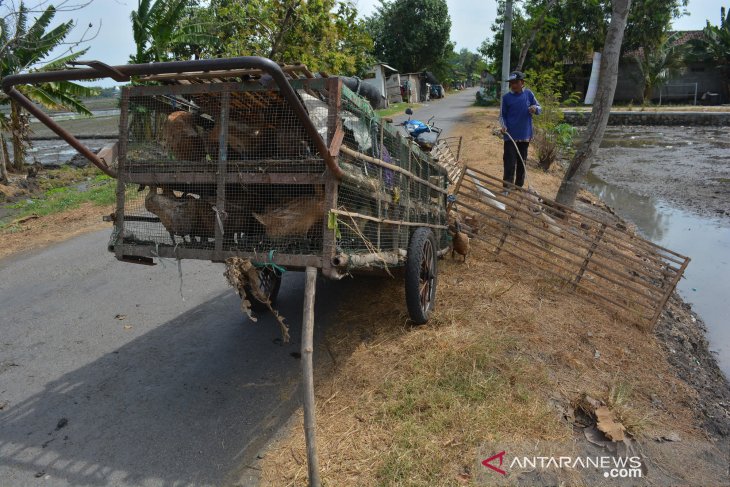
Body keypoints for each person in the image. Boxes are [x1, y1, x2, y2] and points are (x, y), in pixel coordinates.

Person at [499, 71, 541, 191]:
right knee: (509, 162)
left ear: (522, 82)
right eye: (511, 83)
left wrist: (535, 108)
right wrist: (503, 126)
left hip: (525, 135)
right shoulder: (506, 98)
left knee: (522, 162)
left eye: (516, 82)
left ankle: (519, 186)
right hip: (510, 136)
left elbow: (539, 107)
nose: (513, 85)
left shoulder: (529, 94)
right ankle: (507, 187)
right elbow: (502, 116)